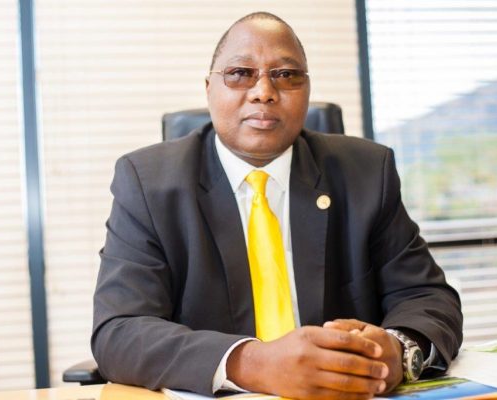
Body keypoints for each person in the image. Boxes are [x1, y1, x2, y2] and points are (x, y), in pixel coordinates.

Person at [92, 11, 463, 400]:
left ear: (307, 89)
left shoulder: (367, 173)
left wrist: (398, 349)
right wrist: (252, 363)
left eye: (286, 75)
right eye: (240, 73)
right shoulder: (148, 183)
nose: (264, 92)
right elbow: (120, 330)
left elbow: (427, 297)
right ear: (208, 88)